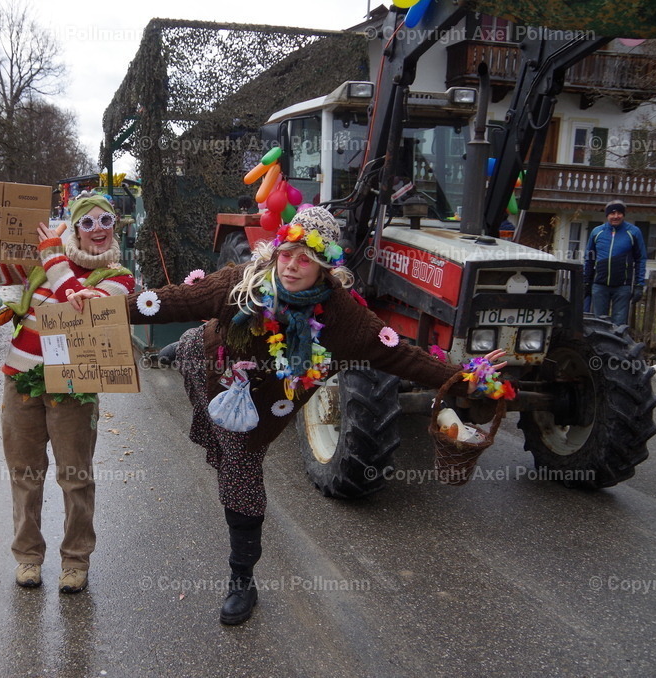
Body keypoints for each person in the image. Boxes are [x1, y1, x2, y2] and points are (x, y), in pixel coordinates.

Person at [68, 207, 507, 625]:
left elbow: (404, 357)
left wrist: (471, 377)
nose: (292, 265)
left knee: (239, 475)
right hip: (215, 363)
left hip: (259, 412)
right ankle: (180, 351)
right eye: (286, 254)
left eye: (306, 258)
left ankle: (242, 580)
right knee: (191, 345)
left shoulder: (345, 320)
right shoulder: (243, 283)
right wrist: (101, 307)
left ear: (326, 268)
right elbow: (173, 300)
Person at [0, 192, 136, 593]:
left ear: (114, 226)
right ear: (76, 227)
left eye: (106, 221)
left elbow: (80, 301)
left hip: (74, 387)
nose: (97, 230)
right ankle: (29, 557)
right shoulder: (41, 261)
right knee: (25, 474)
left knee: (76, 477)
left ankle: (75, 561)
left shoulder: (118, 278)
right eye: (87, 222)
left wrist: (54, 260)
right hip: (22, 380)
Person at [583, 200, 646, 326]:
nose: (615, 216)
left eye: (619, 213)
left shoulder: (633, 232)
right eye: (612, 213)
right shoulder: (597, 232)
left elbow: (641, 259)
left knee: (619, 325)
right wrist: (586, 281)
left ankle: (618, 345)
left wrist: (639, 284)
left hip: (622, 286)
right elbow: (589, 258)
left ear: (623, 214)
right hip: (600, 285)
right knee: (599, 323)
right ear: (607, 215)